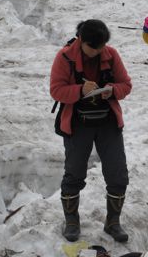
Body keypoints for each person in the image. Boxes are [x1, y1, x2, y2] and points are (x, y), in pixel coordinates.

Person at [50, 20, 132, 243]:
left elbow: (126, 84)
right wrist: (79, 90)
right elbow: (56, 90)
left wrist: (111, 91)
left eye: (101, 47)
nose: (98, 51)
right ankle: (72, 221)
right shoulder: (65, 57)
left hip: (107, 122)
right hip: (78, 123)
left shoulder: (111, 54)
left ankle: (113, 222)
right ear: (81, 40)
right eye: (93, 47)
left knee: (118, 174)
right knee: (74, 173)